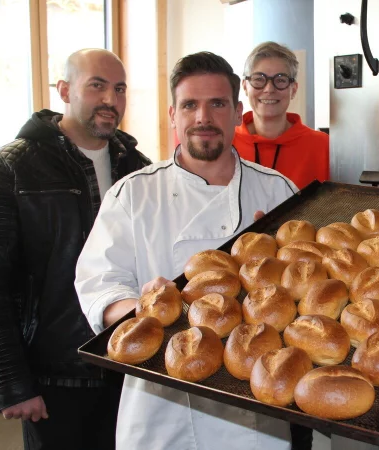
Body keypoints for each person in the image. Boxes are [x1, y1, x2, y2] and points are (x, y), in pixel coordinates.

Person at [74, 51, 297, 449]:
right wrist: (142, 314)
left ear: (236, 112)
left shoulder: (278, 190)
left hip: (255, 413)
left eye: (217, 104)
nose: (203, 118)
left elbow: (303, 287)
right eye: (190, 105)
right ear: (173, 114)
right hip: (162, 412)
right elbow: (99, 282)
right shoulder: (134, 194)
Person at [0, 48, 150, 449]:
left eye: (119, 89)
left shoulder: (137, 168)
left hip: (128, 368)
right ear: (64, 90)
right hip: (54, 378)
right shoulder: (10, 168)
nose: (110, 100)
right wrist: (12, 384)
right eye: (96, 85)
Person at [233, 41, 329, 189]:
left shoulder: (323, 147)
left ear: (294, 89)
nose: (269, 89)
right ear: (245, 86)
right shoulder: (225, 144)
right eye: (259, 79)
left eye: (280, 80)